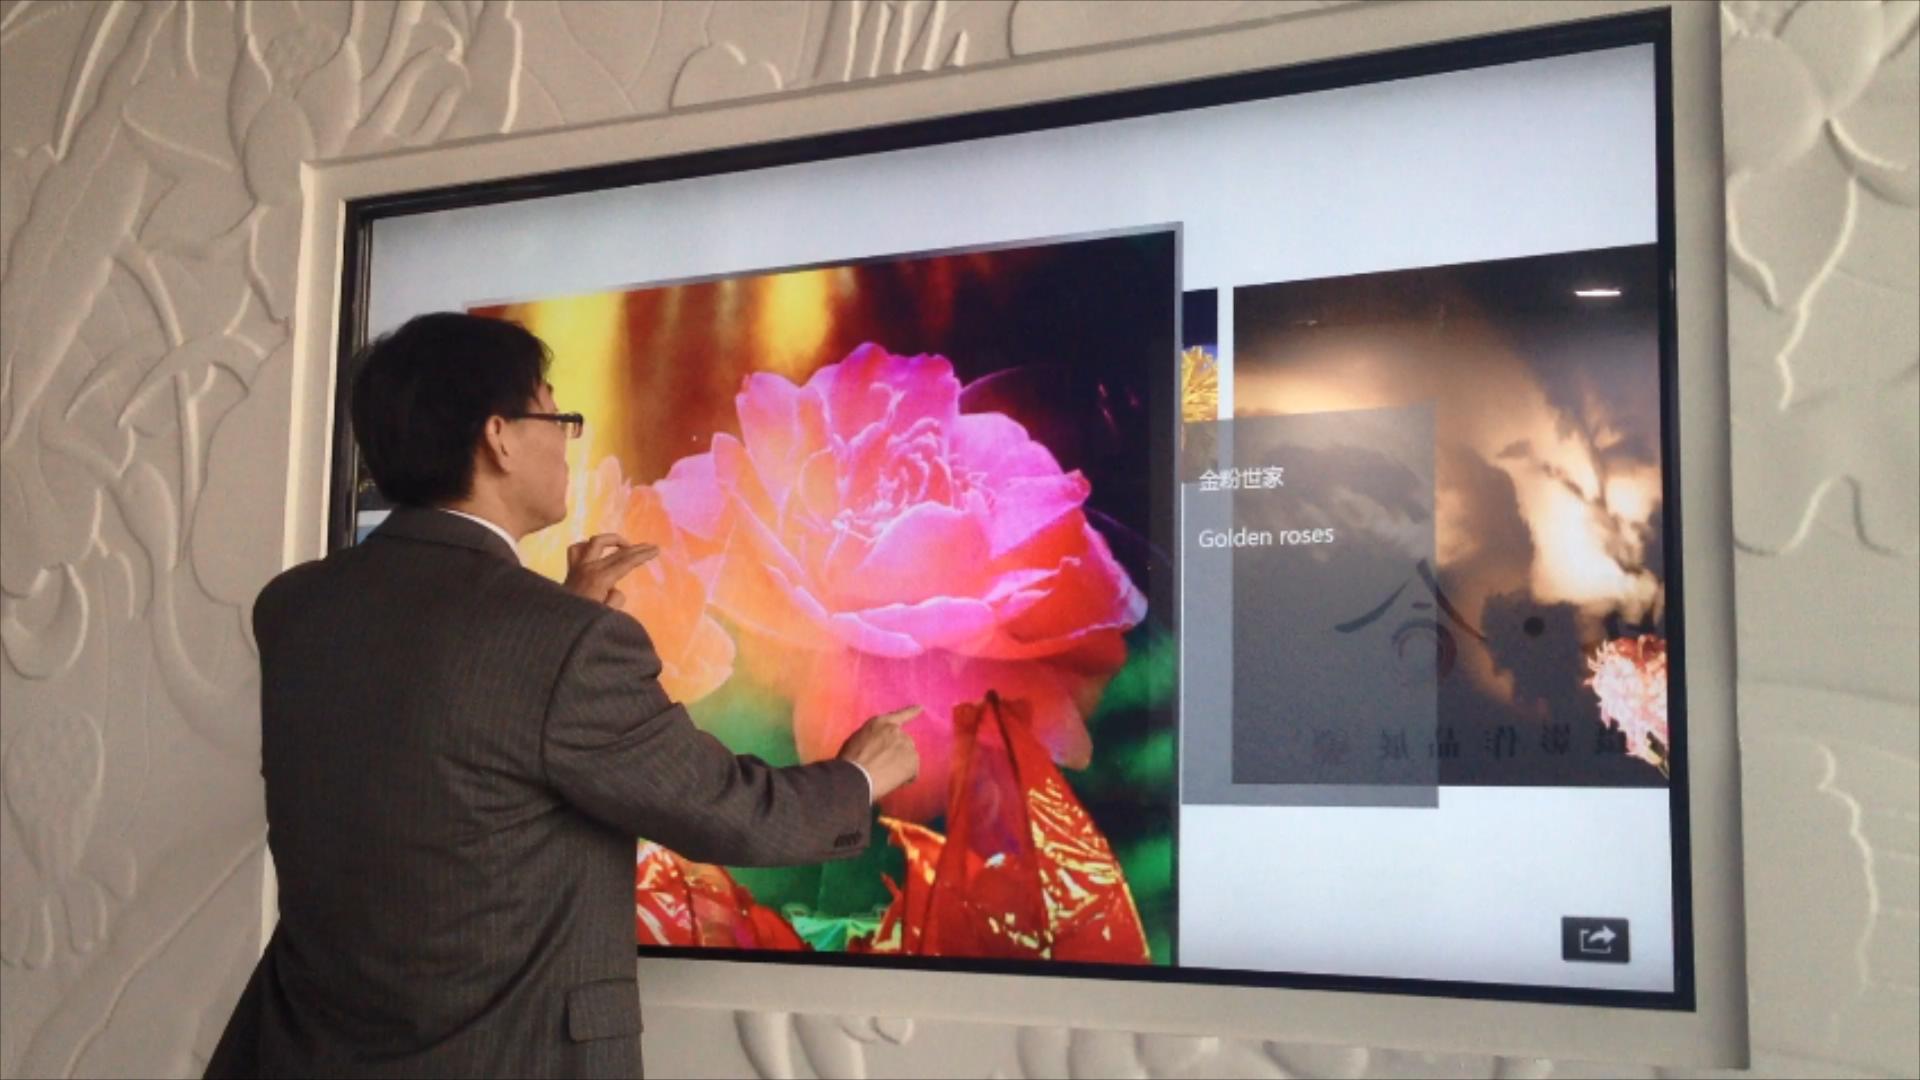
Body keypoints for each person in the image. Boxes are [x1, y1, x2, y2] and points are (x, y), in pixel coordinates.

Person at [205, 313, 919, 1079]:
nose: (568, 443)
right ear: (499, 438)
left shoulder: (297, 606)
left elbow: (432, 750)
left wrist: (561, 618)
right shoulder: (559, 643)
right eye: (557, 417)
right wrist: (860, 776)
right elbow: (728, 813)